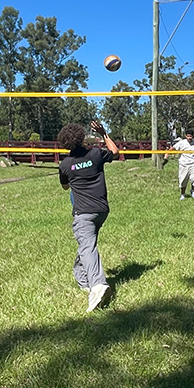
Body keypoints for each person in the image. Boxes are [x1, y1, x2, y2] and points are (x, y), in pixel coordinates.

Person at [58, 120, 119, 313]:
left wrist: (77, 175)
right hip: (101, 211)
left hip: (83, 213)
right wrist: (104, 134)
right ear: (81, 137)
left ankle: (98, 286)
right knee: (86, 245)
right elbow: (115, 152)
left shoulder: (65, 165)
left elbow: (65, 186)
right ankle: (83, 280)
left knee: (87, 247)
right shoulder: (95, 154)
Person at [164, 129, 194, 199]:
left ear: (192, 136)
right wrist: (167, 153)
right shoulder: (181, 143)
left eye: (190, 136)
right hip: (183, 164)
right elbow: (173, 148)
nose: (189, 138)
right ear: (186, 136)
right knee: (183, 180)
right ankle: (182, 194)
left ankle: (192, 190)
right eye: (188, 136)